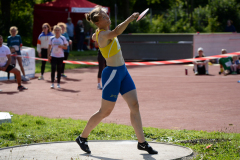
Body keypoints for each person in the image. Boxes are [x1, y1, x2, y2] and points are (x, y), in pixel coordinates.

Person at [75, 6, 158, 155]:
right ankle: (82, 138)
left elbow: (97, 36)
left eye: (107, 15)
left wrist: (95, 35)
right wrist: (130, 18)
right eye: (104, 17)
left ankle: (142, 142)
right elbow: (116, 32)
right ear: (98, 23)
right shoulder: (105, 34)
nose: (107, 17)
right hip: (112, 74)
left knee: (134, 105)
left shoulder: (100, 33)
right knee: (105, 111)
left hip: (123, 71)